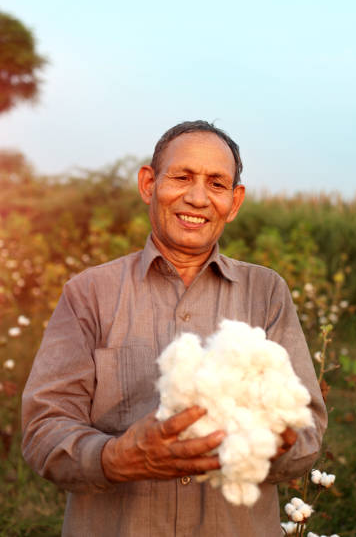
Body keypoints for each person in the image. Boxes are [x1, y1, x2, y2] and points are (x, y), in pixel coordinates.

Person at [22, 121, 327, 537]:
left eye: (216, 184)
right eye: (182, 177)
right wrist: (113, 458)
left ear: (234, 202)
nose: (197, 197)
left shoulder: (266, 292)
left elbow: (307, 430)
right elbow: (44, 428)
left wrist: (273, 445)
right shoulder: (89, 292)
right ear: (149, 184)